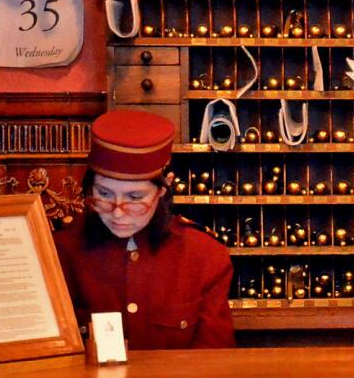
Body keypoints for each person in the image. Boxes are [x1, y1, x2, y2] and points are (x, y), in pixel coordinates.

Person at [54, 109, 236, 349]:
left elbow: (213, 364)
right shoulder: (61, 252)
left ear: (164, 188)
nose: (118, 212)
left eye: (135, 197)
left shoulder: (204, 256)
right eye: (104, 194)